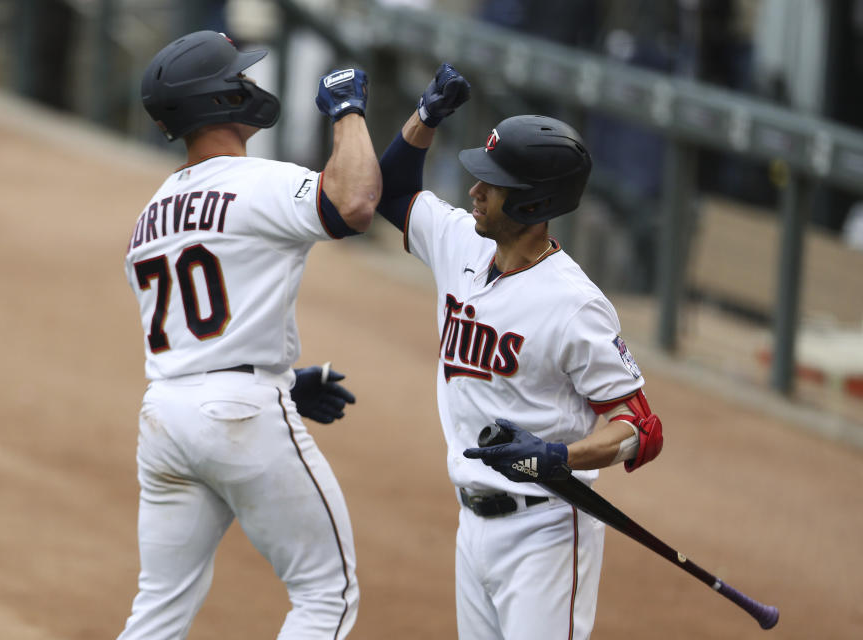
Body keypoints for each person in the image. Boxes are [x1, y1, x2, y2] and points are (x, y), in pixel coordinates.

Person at [375, 63, 664, 640]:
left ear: (533, 204)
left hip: (547, 533)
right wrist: (425, 116)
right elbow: (393, 191)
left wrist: (558, 457)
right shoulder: (459, 240)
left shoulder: (574, 305)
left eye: (493, 184)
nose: (475, 192)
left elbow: (640, 429)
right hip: (472, 527)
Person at [117, 31, 380, 639]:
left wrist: (287, 381)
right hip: (238, 413)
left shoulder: (149, 215)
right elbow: (354, 202)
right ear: (220, 101)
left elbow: (201, 331)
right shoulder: (253, 180)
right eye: (238, 76)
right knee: (325, 592)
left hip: (165, 417)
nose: (249, 83)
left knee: (158, 606)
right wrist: (348, 112)